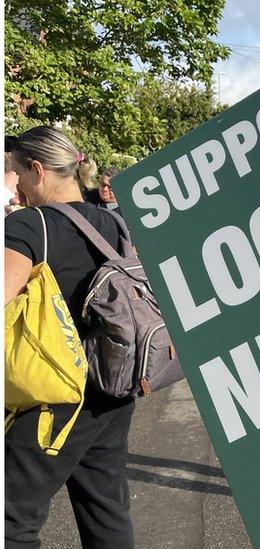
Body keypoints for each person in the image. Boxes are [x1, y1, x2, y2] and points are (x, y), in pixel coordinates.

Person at [5, 126, 136, 548]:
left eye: (17, 174)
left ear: (38, 170)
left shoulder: (28, 225)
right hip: (114, 387)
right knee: (106, 513)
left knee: (10, 523)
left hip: (55, 398)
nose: (17, 187)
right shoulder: (114, 224)